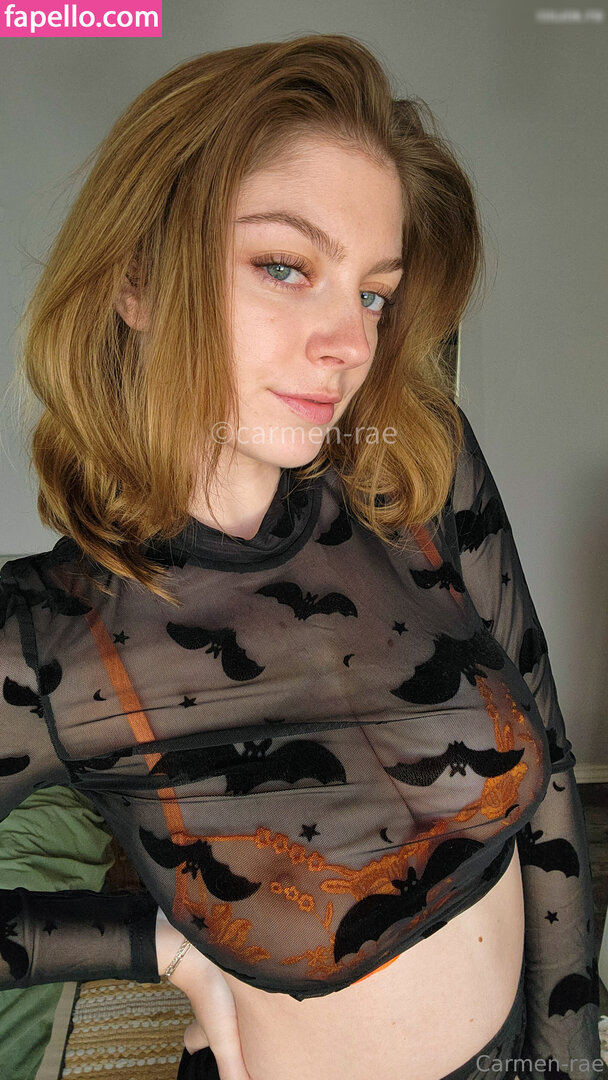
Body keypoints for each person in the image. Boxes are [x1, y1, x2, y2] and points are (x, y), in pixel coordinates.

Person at [0, 32, 600, 1080]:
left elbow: (546, 768)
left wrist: (568, 1053)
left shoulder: (416, 475)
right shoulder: (48, 640)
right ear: (137, 282)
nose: (351, 345)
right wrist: (152, 946)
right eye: (285, 267)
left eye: (372, 293)